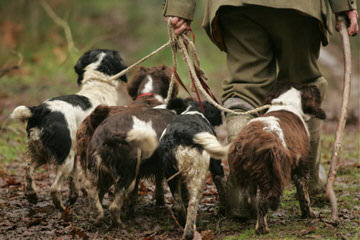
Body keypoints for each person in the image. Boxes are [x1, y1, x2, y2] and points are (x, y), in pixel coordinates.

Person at [163, 0, 359, 218]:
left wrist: (180, 7)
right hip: (301, 7)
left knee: (244, 88)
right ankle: (310, 181)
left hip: (234, 4)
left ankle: (241, 193)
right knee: (302, 83)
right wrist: (344, 5)